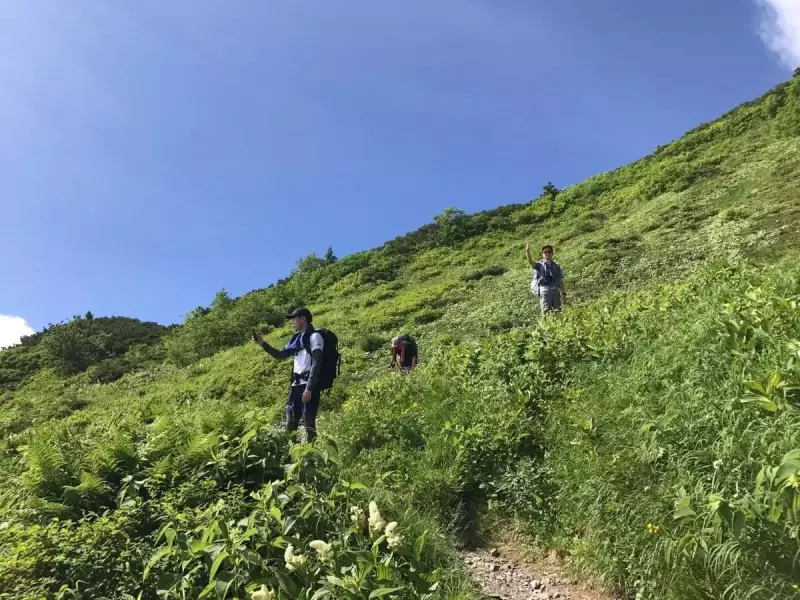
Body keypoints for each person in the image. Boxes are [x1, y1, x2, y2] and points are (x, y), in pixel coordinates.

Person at [251, 307, 323, 442]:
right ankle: (292, 456)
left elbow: (317, 363)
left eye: (294, 319)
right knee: (291, 425)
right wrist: (262, 343)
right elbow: (279, 355)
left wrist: (309, 388)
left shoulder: (315, 337)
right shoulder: (295, 340)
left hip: (308, 386)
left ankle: (312, 457)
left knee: (309, 425)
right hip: (295, 387)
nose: (292, 322)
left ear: (303, 319)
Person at [525, 242, 566, 314]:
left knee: (558, 311)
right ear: (542, 254)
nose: (547, 253)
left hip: (555, 291)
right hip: (544, 290)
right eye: (545, 252)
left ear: (552, 253)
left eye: (549, 252)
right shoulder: (539, 265)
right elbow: (531, 262)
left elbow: (560, 281)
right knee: (546, 311)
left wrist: (563, 294)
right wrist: (527, 252)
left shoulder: (556, 266)